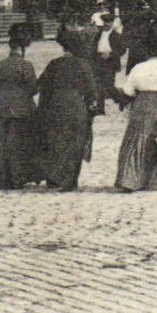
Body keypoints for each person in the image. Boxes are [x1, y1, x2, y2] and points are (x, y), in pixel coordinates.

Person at [24, 28, 101, 191]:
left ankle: (54, 178)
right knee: (75, 142)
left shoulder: (54, 64)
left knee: (56, 141)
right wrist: (91, 110)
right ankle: (70, 180)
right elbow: (92, 92)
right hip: (76, 106)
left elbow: (41, 85)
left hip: (56, 105)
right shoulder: (83, 65)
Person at [113, 31, 157, 191]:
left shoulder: (138, 67)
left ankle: (129, 179)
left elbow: (128, 90)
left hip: (141, 103)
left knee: (136, 139)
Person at [0, 31, 38, 191]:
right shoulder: (25, 65)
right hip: (21, 109)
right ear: (22, 48)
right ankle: (16, 177)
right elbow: (33, 88)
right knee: (18, 144)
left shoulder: (1, 65)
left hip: (1, 107)